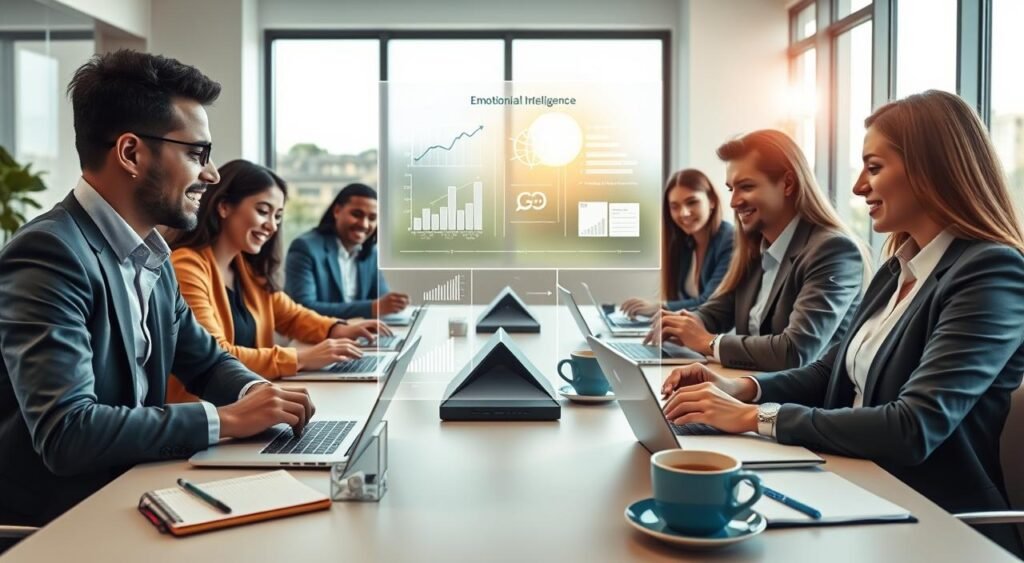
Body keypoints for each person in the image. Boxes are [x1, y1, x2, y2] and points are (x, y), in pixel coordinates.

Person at [661, 90, 1024, 556]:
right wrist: (742, 389)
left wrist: (755, 417)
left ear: (932, 169)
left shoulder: (991, 271)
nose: (857, 186)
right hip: (854, 483)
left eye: (874, 168)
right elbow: (827, 373)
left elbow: (912, 428)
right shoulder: (899, 267)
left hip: (931, 522)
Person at [0, 50, 314, 534]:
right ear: (130, 153)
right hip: (65, 522)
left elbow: (206, 361)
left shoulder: (150, 254)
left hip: (139, 488)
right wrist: (227, 420)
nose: (210, 175)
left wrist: (259, 393)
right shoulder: (50, 253)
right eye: (197, 154)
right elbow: (67, 433)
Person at [165, 161, 392, 403]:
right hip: (209, 417)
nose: (272, 225)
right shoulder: (186, 266)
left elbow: (292, 316)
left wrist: (338, 329)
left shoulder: (245, 269)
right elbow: (217, 356)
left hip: (249, 405)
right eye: (263, 211)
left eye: (278, 216)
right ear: (224, 206)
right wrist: (300, 358)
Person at [645, 130, 866, 372]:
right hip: (747, 392)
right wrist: (687, 323)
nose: (733, 201)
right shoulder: (755, 248)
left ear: (788, 184)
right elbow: (720, 308)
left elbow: (793, 351)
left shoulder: (832, 250)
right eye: (731, 189)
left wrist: (708, 342)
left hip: (795, 405)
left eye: (746, 187)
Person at [621, 168, 734, 317]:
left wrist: (659, 307)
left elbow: (710, 302)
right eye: (675, 206)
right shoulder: (683, 243)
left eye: (692, 202)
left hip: (719, 336)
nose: (683, 213)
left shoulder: (730, 240)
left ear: (712, 201)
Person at [285, 184, 409, 318]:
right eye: (357, 214)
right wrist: (371, 308)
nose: (364, 224)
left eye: (372, 218)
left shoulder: (370, 253)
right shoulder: (305, 247)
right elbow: (304, 308)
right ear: (337, 211)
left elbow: (382, 300)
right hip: (319, 336)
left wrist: (394, 303)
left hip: (359, 332)